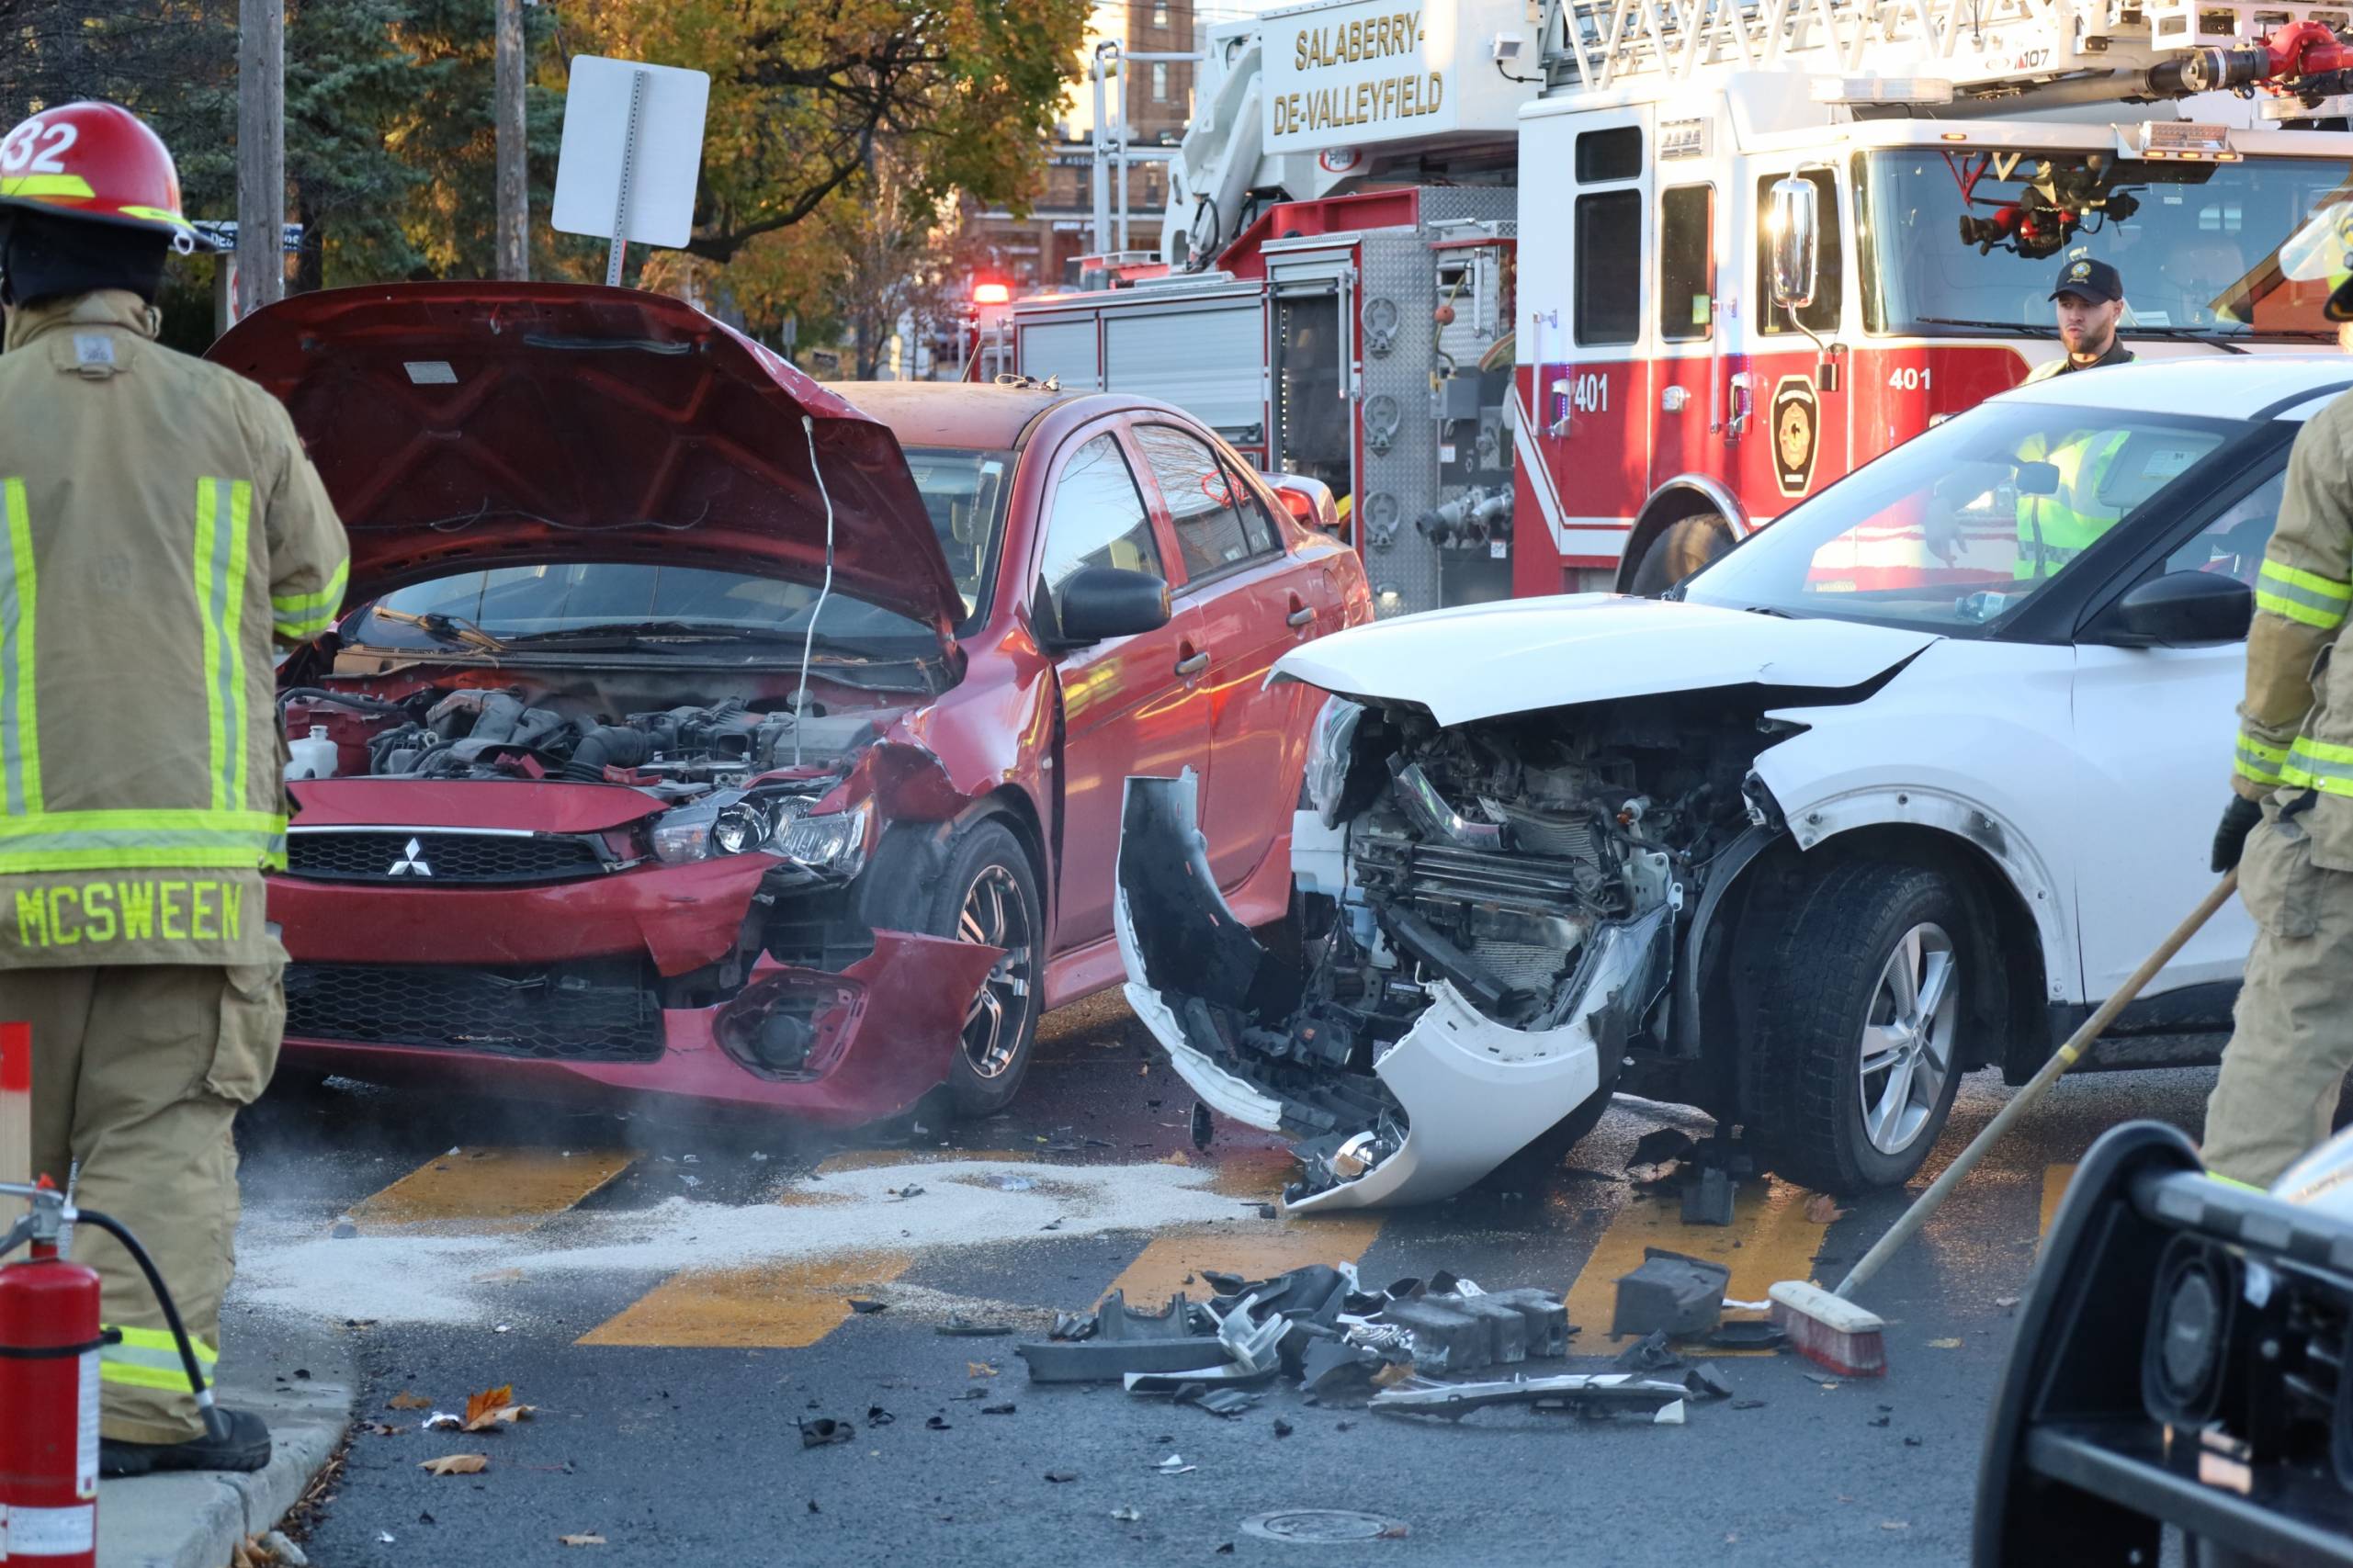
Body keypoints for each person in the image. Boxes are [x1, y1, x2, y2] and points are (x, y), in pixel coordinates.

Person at [0, 102, 348, 1473]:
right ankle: (138, 1411)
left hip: (6, 891)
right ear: (156, 264)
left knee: (4, 1151)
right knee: (161, 1141)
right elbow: (315, 593)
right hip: (187, 893)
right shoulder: (240, 416)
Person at [2203, 209, 2353, 1187]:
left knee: (2285, 1061)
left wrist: (2252, 788)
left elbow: (2291, 624)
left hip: (2342, 845)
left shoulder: (2340, 436)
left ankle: (2232, 1264)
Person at [2013, 257, 2136, 580]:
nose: (2074, 316)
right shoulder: (2039, 381)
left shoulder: (2142, 388)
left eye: (2088, 305)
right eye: (2066, 305)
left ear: (2117, 310)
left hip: (2104, 587)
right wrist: (1944, 502)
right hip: (2030, 587)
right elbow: (1994, 450)